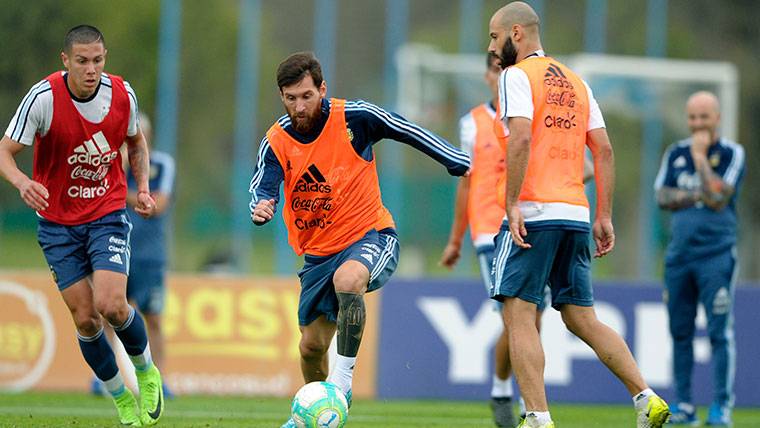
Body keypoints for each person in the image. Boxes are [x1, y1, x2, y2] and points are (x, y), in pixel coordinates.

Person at [249, 52, 470, 428]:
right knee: (310, 347)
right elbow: (262, 187)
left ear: (323, 88)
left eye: (306, 95)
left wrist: (457, 160)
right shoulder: (276, 140)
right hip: (318, 256)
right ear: (281, 97)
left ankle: (343, 381)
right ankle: (321, 416)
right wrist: (261, 206)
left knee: (348, 280)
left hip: (371, 235)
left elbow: (407, 130)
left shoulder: (354, 117)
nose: (299, 106)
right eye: (290, 98)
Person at [486, 3, 670, 428]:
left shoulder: (516, 76)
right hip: (574, 213)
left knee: (519, 314)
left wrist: (513, 202)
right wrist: (603, 215)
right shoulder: (577, 82)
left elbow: (521, 139)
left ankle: (537, 416)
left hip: (532, 211)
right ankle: (645, 397)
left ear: (517, 33)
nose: (492, 48)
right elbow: (603, 149)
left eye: (495, 38)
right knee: (581, 316)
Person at [0, 25, 164, 426]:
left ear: (104, 58)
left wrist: (141, 188)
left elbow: (136, 143)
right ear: (66, 61)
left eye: (98, 60)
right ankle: (120, 397)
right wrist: (22, 182)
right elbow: (5, 151)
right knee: (86, 318)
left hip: (106, 213)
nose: (91, 69)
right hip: (56, 224)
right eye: (83, 61)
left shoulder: (122, 95)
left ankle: (146, 371)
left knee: (111, 304)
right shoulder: (43, 98)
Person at [654, 91, 744, 426]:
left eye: (703, 118)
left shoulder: (732, 153)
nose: (697, 125)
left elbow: (720, 198)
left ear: (717, 118)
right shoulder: (675, 153)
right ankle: (685, 406)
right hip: (680, 257)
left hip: (716, 256)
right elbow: (662, 196)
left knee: (720, 332)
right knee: (680, 332)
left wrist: (702, 159)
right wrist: (697, 194)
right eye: (692, 118)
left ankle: (721, 407)